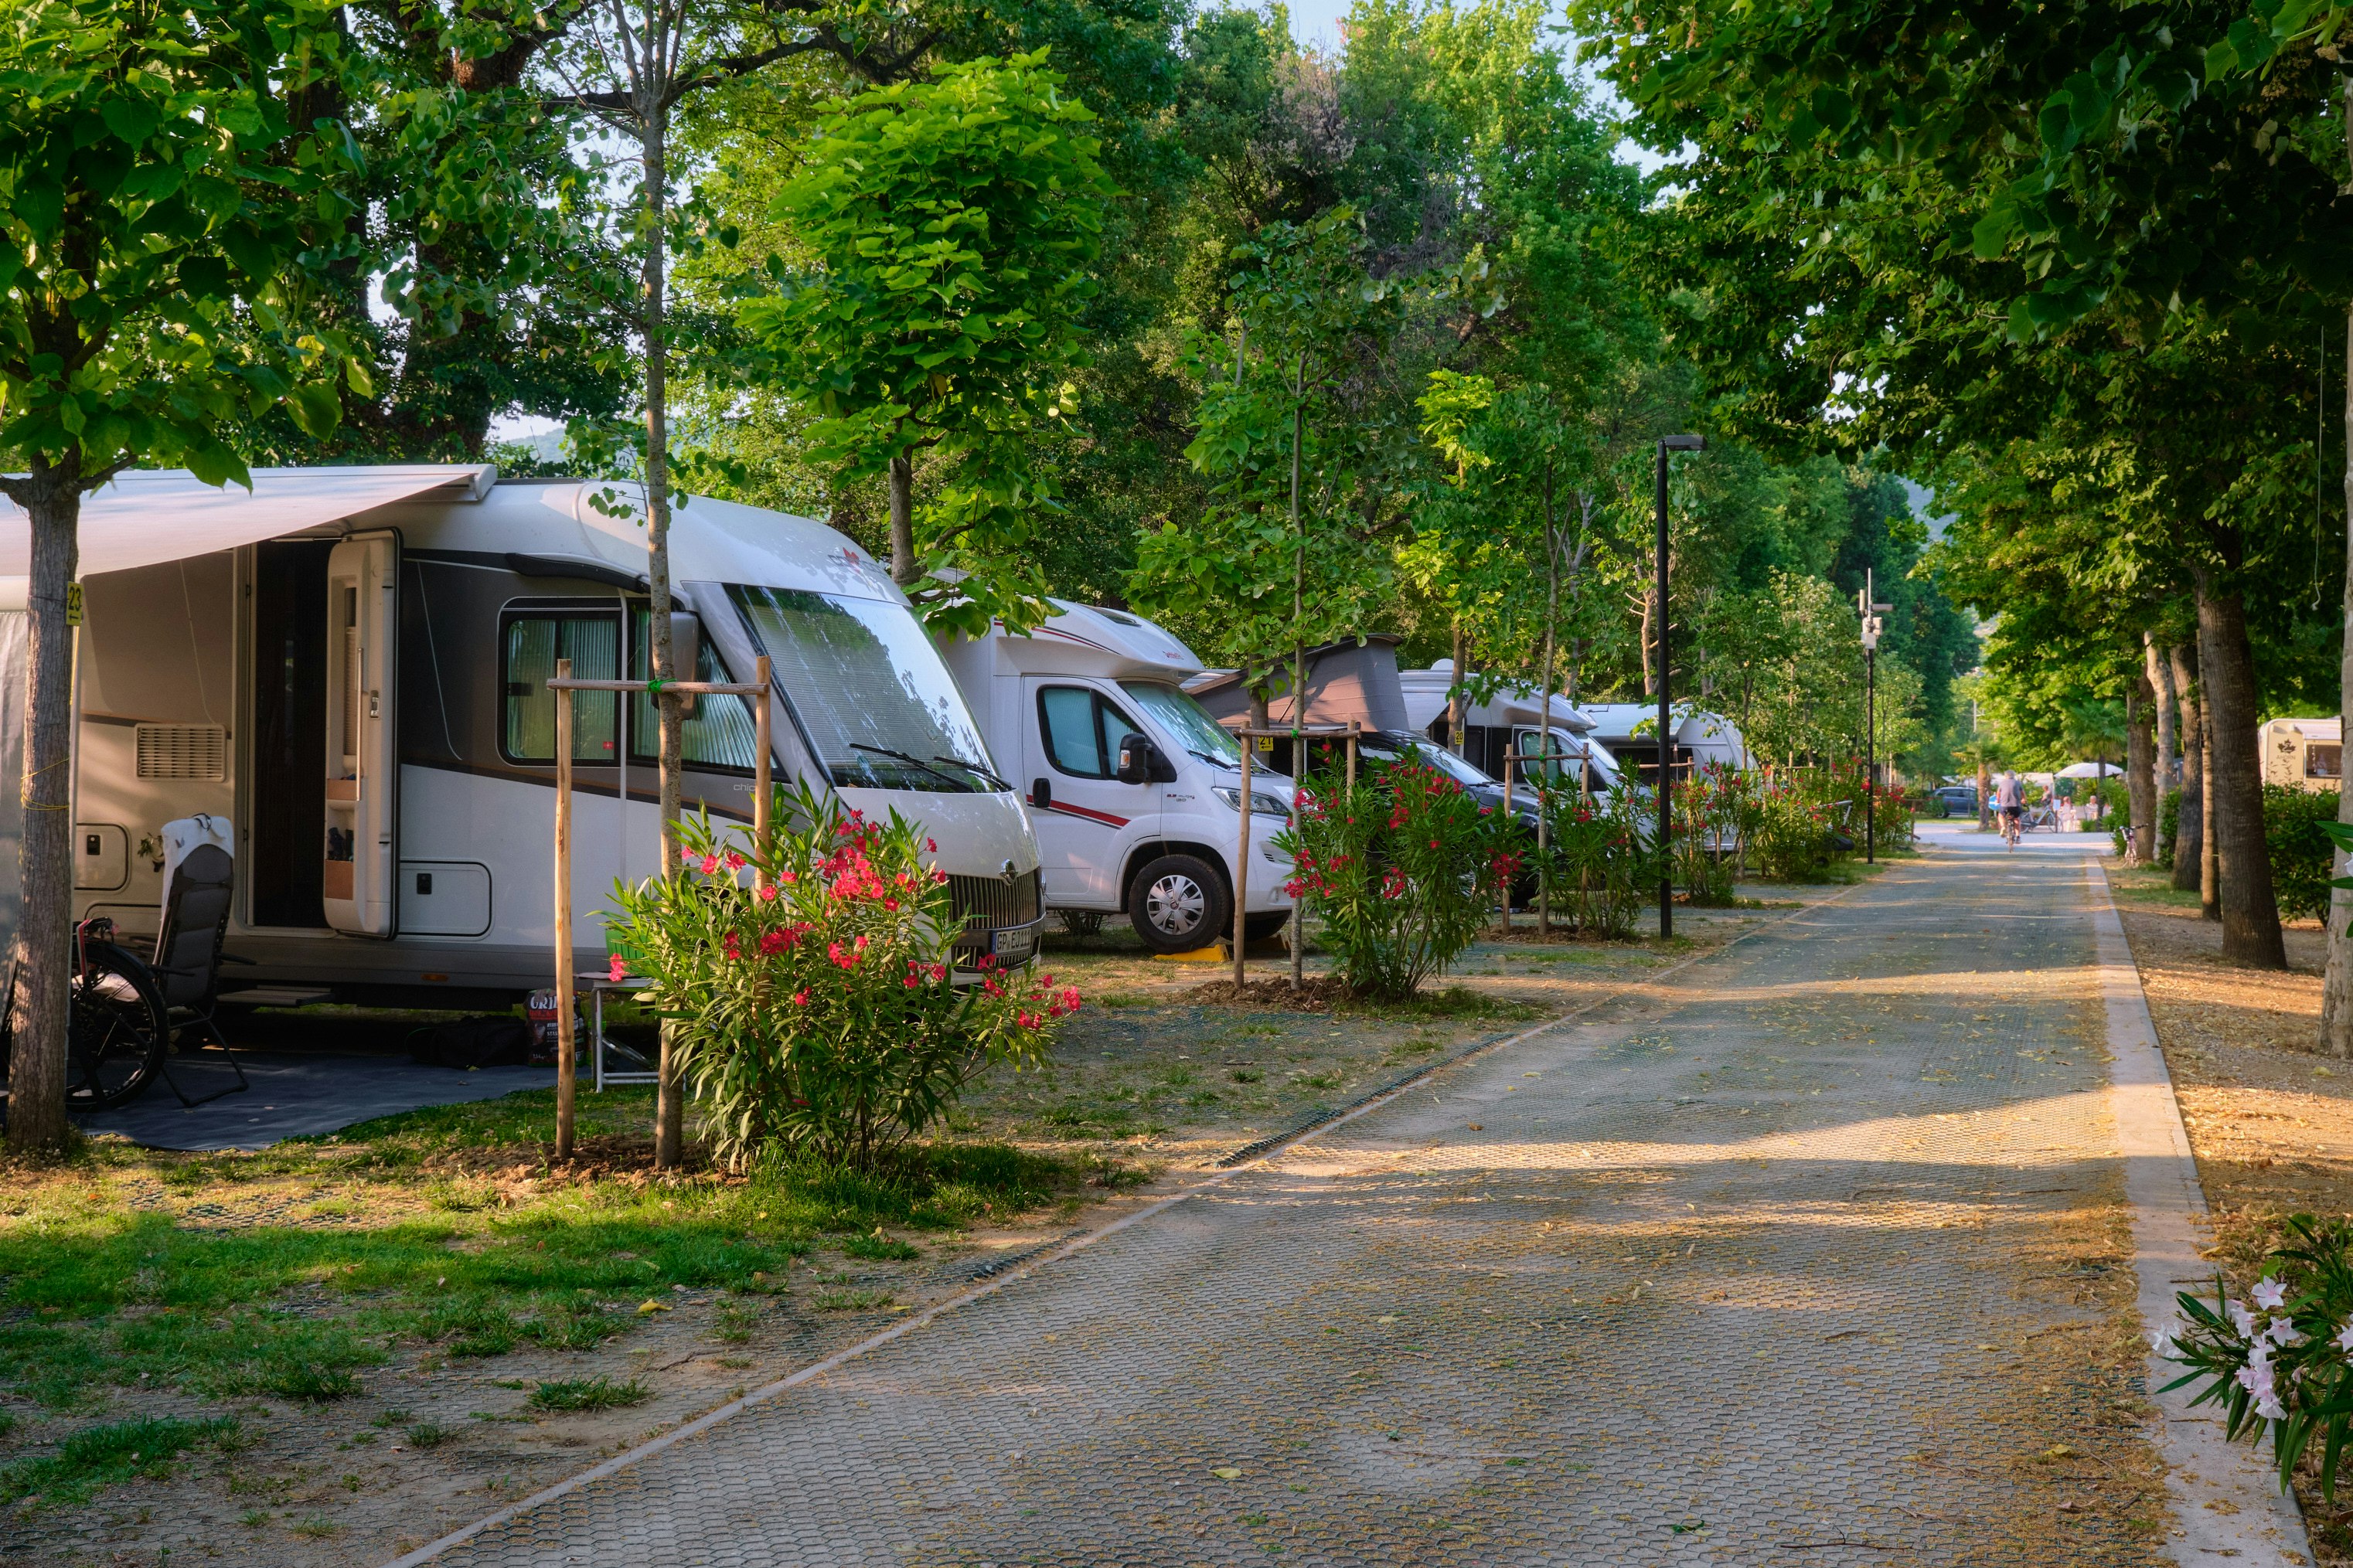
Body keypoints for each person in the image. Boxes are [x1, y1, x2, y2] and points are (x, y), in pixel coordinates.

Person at [1995, 769, 2024, 849]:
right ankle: (2018, 837)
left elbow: (1998, 793)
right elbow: (2023, 793)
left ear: (2006, 776)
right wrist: (2024, 799)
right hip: (2016, 806)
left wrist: (1998, 800)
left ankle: (2003, 827)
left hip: (2005, 806)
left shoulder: (2002, 783)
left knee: (2001, 816)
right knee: (2017, 819)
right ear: (2014, 776)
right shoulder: (2018, 783)